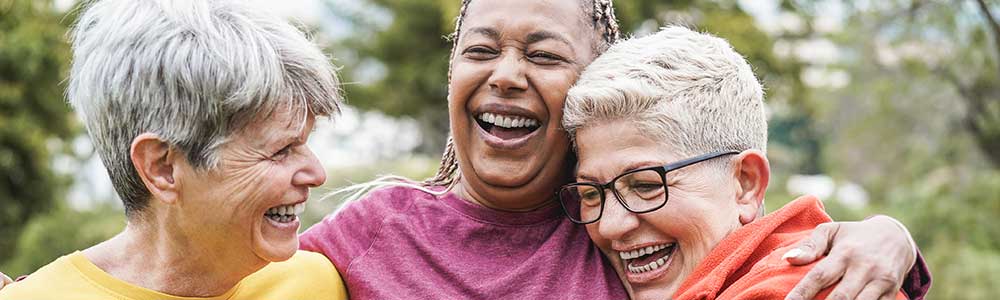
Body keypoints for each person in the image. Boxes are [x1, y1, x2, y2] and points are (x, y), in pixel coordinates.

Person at [299, 0, 929, 299]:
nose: (508, 75)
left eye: (544, 55)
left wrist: (886, 238)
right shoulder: (374, 229)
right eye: (480, 50)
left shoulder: (611, 230)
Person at [0, 0, 347, 299]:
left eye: (305, 142)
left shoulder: (323, 284)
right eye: (281, 150)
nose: (317, 174)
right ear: (162, 167)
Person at [559, 26, 914, 300]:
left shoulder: (810, 288)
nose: (610, 226)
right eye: (592, 194)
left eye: (646, 185)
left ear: (745, 183)